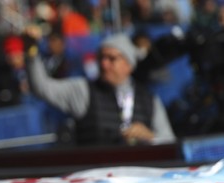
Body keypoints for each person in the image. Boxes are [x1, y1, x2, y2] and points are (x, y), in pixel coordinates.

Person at [27, 32, 176, 146]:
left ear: (128, 65)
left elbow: (169, 142)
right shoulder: (83, 90)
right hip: (95, 178)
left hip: (139, 176)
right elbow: (41, 87)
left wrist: (150, 137)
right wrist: (32, 51)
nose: (104, 64)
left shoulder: (149, 100)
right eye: (101, 58)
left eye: (112, 59)